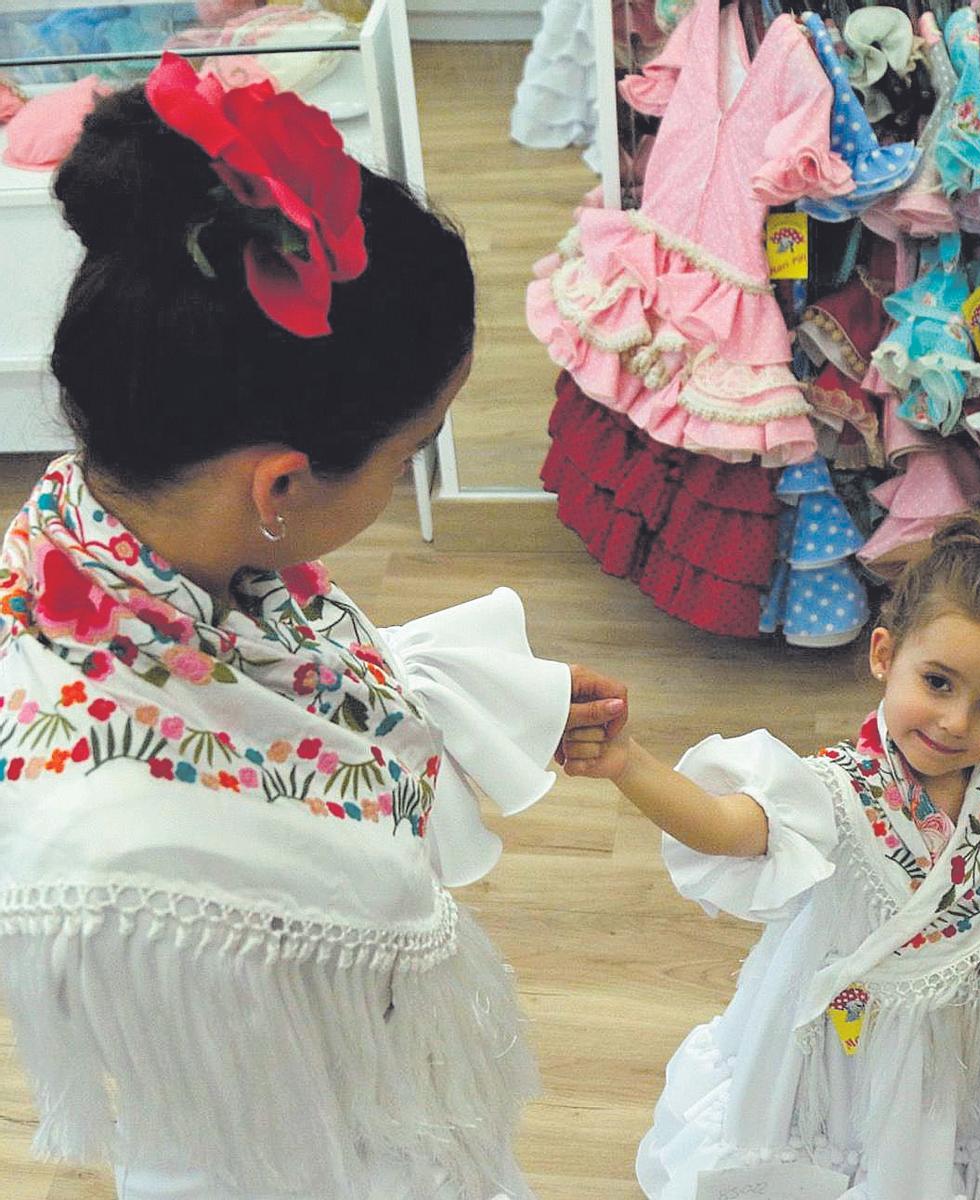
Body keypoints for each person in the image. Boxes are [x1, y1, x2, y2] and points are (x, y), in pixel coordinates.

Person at [0, 54, 626, 1200]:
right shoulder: (131, 858)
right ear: (281, 486)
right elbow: (243, 1143)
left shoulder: (106, 543)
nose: (406, 476)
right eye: (410, 454)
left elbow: (279, 676)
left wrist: (480, 704)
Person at [562, 480, 980, 1200]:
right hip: (842, 1047)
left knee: (941, 1147)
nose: (957, 722)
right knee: (848, 1147)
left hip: (963, 1046)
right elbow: (726, 827)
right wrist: (629, 762)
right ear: (883, 655)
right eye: (938, 682)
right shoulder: (832, 791)